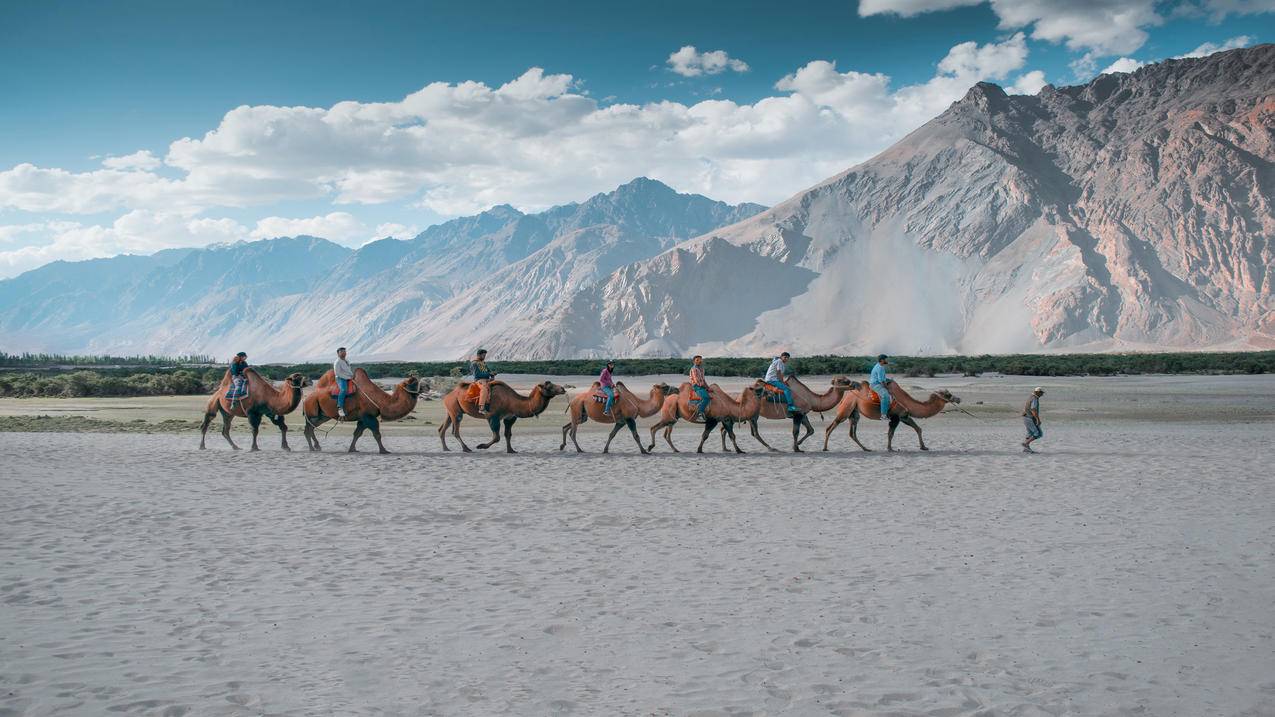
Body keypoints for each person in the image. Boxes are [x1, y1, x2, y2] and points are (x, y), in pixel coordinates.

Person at [467, 349, 496, 415]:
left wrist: (492, 374)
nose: (484, 357)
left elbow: (488, 371)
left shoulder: (484, 363)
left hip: (487, 380)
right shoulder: (474, 363)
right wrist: (489, 374)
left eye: (485, 355)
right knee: (484, 389)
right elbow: (477, 375)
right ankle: (481, 407)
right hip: (479, 380)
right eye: (483, 355)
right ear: (479, 355)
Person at [869, 354, 892, 423]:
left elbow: (883, 378)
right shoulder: (880, 368)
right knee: (886, 396)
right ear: (882, 360)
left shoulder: (879, 366)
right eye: (885, 359)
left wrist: (889, 380)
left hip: (876, 382)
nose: (887, 360)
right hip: (875, 385)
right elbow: (881, 381)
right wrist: (887, 388)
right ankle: (883, 416)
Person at [333, 347, 354, 419]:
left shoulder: (347, 360)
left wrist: (352, 376)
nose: (343, 353)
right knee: (343, 390)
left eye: (344, 352)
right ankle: (340, 407)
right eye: (341, 352)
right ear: (338, 353)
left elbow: (348, 370)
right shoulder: (337, 362)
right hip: (341, 378)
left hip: (349, 377)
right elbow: (338, 373)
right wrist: (348, 377)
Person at [1022, 387, 1045, 453]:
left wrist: (1025, 412)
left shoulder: (1030, 397)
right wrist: (1038, 419)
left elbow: (1026, 407)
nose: (1042, 395)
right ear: (1038, 392)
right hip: (1030, 418)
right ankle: (1026, 443)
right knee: (1038, 433)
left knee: (1029, 433)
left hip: (1025, 417)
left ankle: (1026, 449)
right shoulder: (1035, 399)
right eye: (1041, 393)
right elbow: (1033, 409)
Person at [689, 355, 711, 420]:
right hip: (697, 386)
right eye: (697, 360)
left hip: (702, 386)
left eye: (700, 360)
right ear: (694, 361)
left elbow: (703, 380)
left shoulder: (702, 369)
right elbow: (697, 381)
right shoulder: (693, 369)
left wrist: (708, 387)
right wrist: (705, 387)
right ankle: (700, 413)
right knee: (706, 398)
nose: (699, 361)